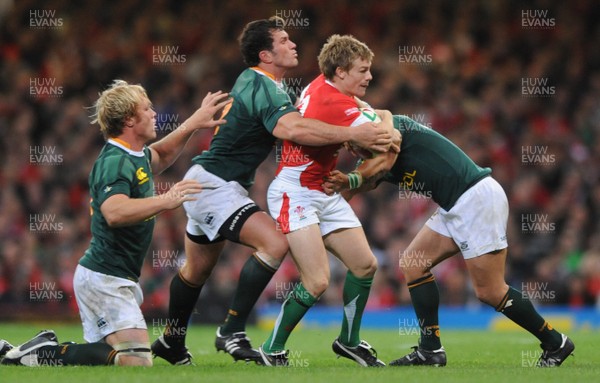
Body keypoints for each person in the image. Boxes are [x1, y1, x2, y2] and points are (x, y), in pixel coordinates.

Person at [150, 17, 392, 366]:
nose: (292, 44)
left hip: (212, 182)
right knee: (275, 243)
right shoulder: (265, 85)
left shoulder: (263, 84)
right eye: (283, 40)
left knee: (195, 271)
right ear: (265, 54)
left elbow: (300, 124)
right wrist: (351, 135)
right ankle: (232, 329)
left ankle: (172, 341)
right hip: (214, 185)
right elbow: (289, 127)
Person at [0, 80, 230, 367]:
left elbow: (162, 154)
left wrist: (194, 123)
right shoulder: (114, 161)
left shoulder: (135, 155)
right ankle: (40, 353)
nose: (154, 113)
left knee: (113, 356)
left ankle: (41, 350)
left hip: (115, 276)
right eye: (147, 108)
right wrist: (165, 200)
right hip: (103, 278)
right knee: (136, 360)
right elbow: (114, 212)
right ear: (130, 120)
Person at [322, 114, 576, 367]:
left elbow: (379, 166)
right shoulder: (373, 159)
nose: (349, 146)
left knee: (490, 291)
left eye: (351, 139)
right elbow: (364, 182)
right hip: (454, 205)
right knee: (413, 264)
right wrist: (321, 209)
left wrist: (350, 179)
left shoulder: (392, 128)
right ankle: (430, 350)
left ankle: (555, 342)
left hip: (475, 198)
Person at [256, 35, 392, 367]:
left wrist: (378, 116)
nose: (369, 77)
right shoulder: (336, 102)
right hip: (296, 192)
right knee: (316, 281)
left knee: (365, 264)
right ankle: (271, 350)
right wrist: (385, 117)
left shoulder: (323, 86)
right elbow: (390, 138)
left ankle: (348, 342)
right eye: (363, 70)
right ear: (342, 70)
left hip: (323, 190)